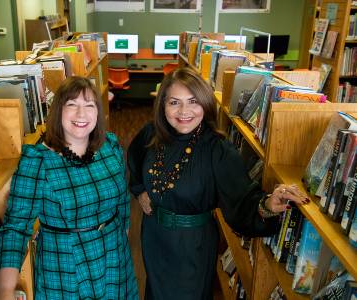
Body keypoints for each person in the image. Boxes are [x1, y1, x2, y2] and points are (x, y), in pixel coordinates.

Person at [127, 67, 309, 300]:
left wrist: (267, 205)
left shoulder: (218, 150)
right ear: (162, 105)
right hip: (154, 236)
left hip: (192, 245)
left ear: (205, 103)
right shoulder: (152, 133)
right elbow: (134, 159)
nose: (184, 111)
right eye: (174, 102)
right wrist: (140, 190)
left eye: (193, 101)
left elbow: (242, 202)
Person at [0, 76, 138, 299]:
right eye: (72, 105)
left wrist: (121, 241)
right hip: (64, 262)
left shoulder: (110, 147)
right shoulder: (37, 161)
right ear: (58, 111)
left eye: (89, 106)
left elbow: (122, 203)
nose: (81, 115)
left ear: (97, 112)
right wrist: (5, 290)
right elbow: (16, 227)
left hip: (113, 254)